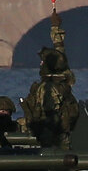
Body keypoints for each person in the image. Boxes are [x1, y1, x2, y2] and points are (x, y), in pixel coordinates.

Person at [22, 10, 80, 148]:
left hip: (52, 140)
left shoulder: (47, 88)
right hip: (64, 135)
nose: (41, 64)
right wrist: (56, 29)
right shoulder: (64, 79)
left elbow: (49, 117)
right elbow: (60, 56)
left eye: (43, 62)